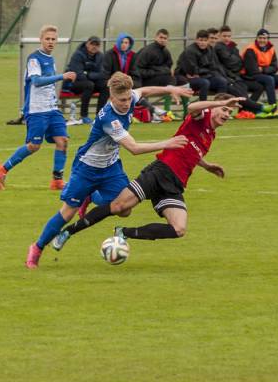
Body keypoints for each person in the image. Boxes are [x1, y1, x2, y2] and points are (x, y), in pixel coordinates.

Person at [25, 72, 193, 268]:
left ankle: (91, 196)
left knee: (125, 210)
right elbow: (134, 148)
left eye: (128, 98)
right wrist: (167, 143)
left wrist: (169, 89)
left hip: (111, 167)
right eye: (122, 100)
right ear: (112, 98)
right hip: (87, 169)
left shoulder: (130, 97)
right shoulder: (109, 119)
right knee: (68, 213)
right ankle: (37, 248)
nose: (127, 103)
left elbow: (145, 91)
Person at [53, 93, 245, 251]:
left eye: (230, 111)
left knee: (178, 228)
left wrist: (207, 165)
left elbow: (190, 151)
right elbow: (192, 107)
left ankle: (123, 232)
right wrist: (220, 102)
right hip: (160, 172)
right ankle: (68, 232)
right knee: (119, 206)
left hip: (175, 184)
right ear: (213, 108)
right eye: (224, 109)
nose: (227, 114)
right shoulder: (200, 119)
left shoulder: (211, 134)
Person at [0, 25, 76, 191]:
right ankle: (3, 168)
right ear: (41, 40)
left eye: (53, 39)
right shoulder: (34, 59)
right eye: (47, 39)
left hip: (52, 109)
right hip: (36, 110)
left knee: (63, 141)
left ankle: (57, 180)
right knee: (34, 146)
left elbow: (49, 84)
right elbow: (37, 81)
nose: (50, 42)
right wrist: (62, 76)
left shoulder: (50, 59)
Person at [213, 25, 274, 118]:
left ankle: (244, 111)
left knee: (259, 87)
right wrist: (236, 62)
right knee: (241, 91)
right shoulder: (219, 47)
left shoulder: (233, 47)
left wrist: (236, 63)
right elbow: (230, 62)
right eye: (224, 36)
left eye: (229, 36)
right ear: (219, 36)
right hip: (228, 78)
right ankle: (260, 108)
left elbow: (239, 62)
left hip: (236, 77)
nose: (227, 38)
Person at [241, 28, 278, 117]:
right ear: (256, 38)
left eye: (264, 38)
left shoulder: (271, 49)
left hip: (265, 74)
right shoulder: (250, 49)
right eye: (260, 38)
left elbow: (275, 67)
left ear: (268, 39)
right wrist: (266, 70)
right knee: (269, 79)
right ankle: (273, 110)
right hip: (251, 76)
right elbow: (252, 70)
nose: (262, 40)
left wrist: (263, 69)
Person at [63, 35, 108, 124]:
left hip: (91, 83)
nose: (94, 46)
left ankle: (99, 116)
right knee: (89, 85)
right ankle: (84, 116)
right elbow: (78, 74)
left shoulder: (100, 56)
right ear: (87, 44)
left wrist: (88, 74)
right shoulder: (78, 55)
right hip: (73, 84)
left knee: (105, 85)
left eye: (97, 45)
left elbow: (102, 74)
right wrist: (93, 75)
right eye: (92, 44)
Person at [136, 28, 178, 119]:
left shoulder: (166, 52)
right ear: (156, 37)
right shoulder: (148, 51)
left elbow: (168, 67)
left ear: (167, 40)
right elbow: (138, 70)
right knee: (170, 79)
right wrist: (156, 72)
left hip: (158, 79)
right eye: (161, 37)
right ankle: (165, 112)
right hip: (143, 81)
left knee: (180, 80)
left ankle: (183, 111)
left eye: (165, 38)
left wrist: (163, 71)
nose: (162, 40)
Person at [175, 29, 228, 100]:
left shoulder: (210, 49)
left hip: (203, 76)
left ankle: (219, 104)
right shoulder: (190, 51)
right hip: (185, 78)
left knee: (222, 81)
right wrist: (205, 71)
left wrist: (203, 72)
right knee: (205, 83)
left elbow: (213, 67)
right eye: (201, 40)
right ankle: (202, 105)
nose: (203, 43)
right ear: (196, 40)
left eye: (205, 40)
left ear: (208, 41)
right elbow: (192, 71)